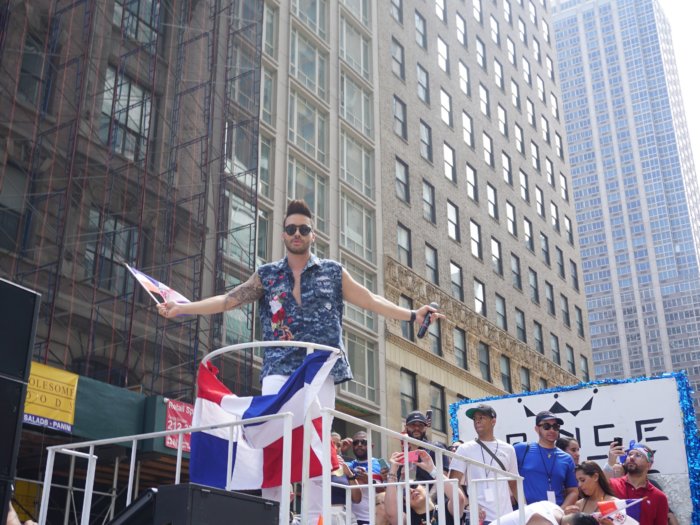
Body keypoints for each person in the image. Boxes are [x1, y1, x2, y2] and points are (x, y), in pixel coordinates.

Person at [158, 199, 441, 518]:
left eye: (303, 229)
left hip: (321, 371)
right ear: (283, 234)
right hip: (279, 369)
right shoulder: (266, 276)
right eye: (291, 228)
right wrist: (182, 307)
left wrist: (411, 314)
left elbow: (369, 299)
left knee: (319, 450)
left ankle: (313, 520)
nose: (297, 234)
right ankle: (274, 517)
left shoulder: (333, 272)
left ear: (312, 234)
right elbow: (227, 300)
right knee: (275, 446)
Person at [448, 404, 519, 524]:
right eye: (475, 419)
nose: (477, 421)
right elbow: (453, 482)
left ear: (493, 421)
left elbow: (513, 482)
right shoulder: (465, 448)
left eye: (482, 417)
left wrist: (524, 508)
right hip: (479, 518)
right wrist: (468, 505)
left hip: (507, 517)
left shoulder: (508, 449)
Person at [514, 411, 578, 507]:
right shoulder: (521, 449)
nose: (552, 430)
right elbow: (506, 478)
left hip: (554, 515)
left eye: (555, 426)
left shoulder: (567, 458)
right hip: (526, 514)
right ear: (537, 429)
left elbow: (573, 491)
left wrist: (561, 512)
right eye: (546, 426)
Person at [385, 450, 466, 525]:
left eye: (414, 485)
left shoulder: (444, 509)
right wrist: (392, 471)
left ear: (424, 487)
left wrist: (432, 469)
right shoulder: (409, 519)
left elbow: (459, 499)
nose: (411, 490)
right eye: (405, 492)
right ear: (405, 502)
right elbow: (391, 515)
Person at [607, 444, 669, 525]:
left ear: (649, 465)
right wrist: (609, 464)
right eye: (630, 454)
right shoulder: (612, 485)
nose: (632, 457)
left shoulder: (659, 497)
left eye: (638, 455)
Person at [347, 431, 384, 525]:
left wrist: (369, 481)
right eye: (355, 443)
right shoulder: (348, 465)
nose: (359, 445)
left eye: (363, 442)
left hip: (373, 518)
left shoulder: (381, 464)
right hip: (351, 518)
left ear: (371, 446)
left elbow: (387, 491)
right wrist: (340, 450)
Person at [401, 411, 450, 481]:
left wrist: (430, 492)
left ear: (425, 428)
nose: (416, 428)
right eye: (412, 425)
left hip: (430, 491)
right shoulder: (404, 454)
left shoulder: (435, 448)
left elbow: (444, 476)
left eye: (420, 425)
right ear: (406, 427)